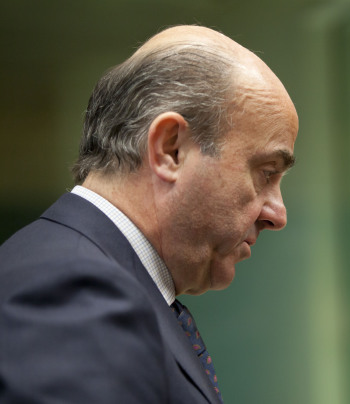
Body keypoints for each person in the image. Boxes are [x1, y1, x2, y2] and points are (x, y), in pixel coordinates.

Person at [0, 25, 298, 404]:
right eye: (266, 173)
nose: (278, 213)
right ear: (171, 150)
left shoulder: (87, 276)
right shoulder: (75, 291)